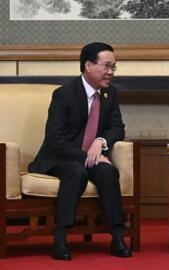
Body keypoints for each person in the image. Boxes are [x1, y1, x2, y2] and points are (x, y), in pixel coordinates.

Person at [29, 42, 131, 260]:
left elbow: (117, 128)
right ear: (88, 65)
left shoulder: (109, 94)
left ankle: (117, 237)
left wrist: (100, 141)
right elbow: (55, 139)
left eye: (114, 67)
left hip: (90, 155)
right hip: (61, 157)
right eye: (106, 66)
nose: (111, 72)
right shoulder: (64, 95)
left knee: (108, 172)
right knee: (77, 172)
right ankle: (60, 237)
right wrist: (87, 156)